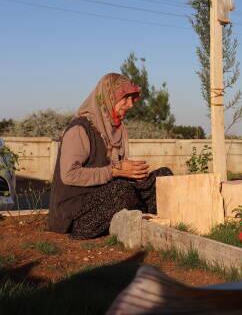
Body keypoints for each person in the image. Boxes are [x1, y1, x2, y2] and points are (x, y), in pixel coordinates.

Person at [48, 73, 172, 239]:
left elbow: (117, 174)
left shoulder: (115, 130)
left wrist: (133, 174)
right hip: (75, 212)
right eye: (125, 99)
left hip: (106, 195)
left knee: (163, 177)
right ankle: (141, 215)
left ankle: (145, 216)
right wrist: (115, 171)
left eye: (132, 99)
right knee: (121, 191)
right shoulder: (79, 129)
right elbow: (70, 175)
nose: (130, 105)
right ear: (108, 97)